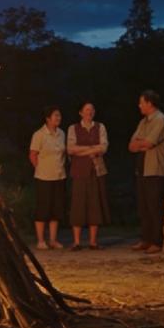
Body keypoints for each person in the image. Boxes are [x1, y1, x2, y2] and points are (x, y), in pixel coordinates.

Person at [127, 89, 164, 254]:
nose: (139, 105)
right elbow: (131, 145)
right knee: (143, 206)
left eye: (141, 102)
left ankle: (157, 241)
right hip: (142, 169)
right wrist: (140, 143)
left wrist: (141, 143)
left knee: (154, 206)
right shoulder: (143, 122)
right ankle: (146, 238)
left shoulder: (160, 120)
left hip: (156, 169)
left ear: (149, 103)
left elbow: (150, 143)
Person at [66, 101, 110, 250]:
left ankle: (93, 241)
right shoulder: (73, 128)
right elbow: (71, 149)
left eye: (92, 109)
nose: (89, 112)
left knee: (94, 204)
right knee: (78, 204)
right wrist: (91, 149)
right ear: (80, 112)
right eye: (86, 110)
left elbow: (103, 147)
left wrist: (83, 151)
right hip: (79, 171)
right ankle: (77, 241)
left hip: (96, 170)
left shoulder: (100, 127)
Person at [29, 105, 67, 250]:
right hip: (43, 177)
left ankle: (53, 240)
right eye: (56, 116)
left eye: (59, 116)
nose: (58, 118)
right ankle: (40, 240)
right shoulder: (39, 135)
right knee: (43, 209)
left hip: (59, 176)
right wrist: (40, 168)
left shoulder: (61, 134)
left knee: (56, 209)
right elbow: (33, 155)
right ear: (48, 118)